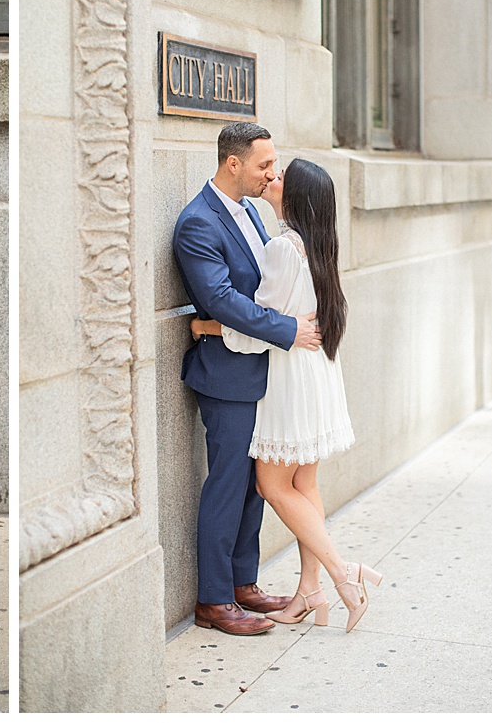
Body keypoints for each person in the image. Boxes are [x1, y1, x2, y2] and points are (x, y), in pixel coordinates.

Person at [190, 158, 384, 631]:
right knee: (305, 485)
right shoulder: (320, 247)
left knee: (272, 486)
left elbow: (263, 326)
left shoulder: (282, 248)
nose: (272, 178)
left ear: (296, 198)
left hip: (289, 378)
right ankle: (309, 591)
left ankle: (342, 574)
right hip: (317, 374)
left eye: (281, 177)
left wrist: (206, 326)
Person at [170, 121, 322, 636]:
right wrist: (287, 330)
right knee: (228, 485)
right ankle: (213, 601)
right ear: (232, 163)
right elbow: (219, 300)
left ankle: (242, 583)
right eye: (263, 165)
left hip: (261, 370)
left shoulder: (254, 212)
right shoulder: (197, 223)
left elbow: (262, 289)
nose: (271, 173)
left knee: (256, 487)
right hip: (225, 375)